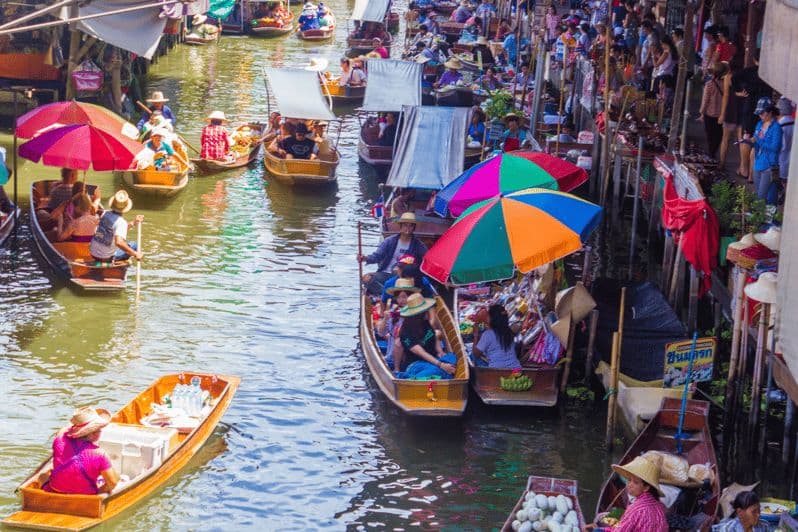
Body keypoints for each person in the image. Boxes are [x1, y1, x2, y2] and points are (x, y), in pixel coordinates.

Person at [43, 407, 119, 495]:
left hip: (56, 490)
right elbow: (113, 483)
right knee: (116, 477)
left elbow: (64, 430)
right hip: (84, 496)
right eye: (100, 429)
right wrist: (98, 491)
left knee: (42, 476)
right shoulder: (100, 454)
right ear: (94, 433)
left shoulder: (60, 437)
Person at [358, 212, 428, 290]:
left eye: (410, 226)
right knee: (366, 279)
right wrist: (365, 258)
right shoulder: (389, 241)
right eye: (405, 225)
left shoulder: (418, 245)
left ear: (413, 228)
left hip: (404, 277)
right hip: (386, 273)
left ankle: (389, 292)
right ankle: (387, 293)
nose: (407, 228)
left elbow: (426, 259)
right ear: (401, 226)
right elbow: (377, 256)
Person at [397, 293, 456, 374]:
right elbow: (420, 353)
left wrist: (439, 351)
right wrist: (441, 365)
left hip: (433, 360)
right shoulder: (405, 332)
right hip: (416, 364)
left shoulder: (425, 323)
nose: (428, 311)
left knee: (453, 359)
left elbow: (433, 336)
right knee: (436, 370)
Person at [606, 456, 668, 531]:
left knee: (600, 520)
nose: (629, 485)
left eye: (636, 482)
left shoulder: (635, 509)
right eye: (629, 480)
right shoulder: (660, 506)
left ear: (646, 488)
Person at [376, 278, 420, 369]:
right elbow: (381, 333)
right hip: (392, 355)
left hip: (412, 353)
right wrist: (385, 319)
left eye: (404, 297)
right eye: (399, 297)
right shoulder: (393, 311)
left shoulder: (418, 311)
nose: (401, 300)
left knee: (400, 341)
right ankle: (397, 368)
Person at [90, 190, 144, 263]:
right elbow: (119, 242)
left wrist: (133, 223)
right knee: (134, 245)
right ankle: (115, 261)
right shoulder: (121, 222)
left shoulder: (105, 213)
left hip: (93, 253)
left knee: (125, 244)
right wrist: (135, 254)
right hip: (106, 258)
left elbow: (116, 230)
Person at [745, 98, 782, 204]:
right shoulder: (759, 124)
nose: (760, 115)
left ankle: (763, 218)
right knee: (760, 194)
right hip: (758, 163)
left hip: (769, 166)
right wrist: (748, 141)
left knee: (761, 197)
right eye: (759, 113)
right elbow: (756, 142)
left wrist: (758, 141)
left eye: (762, 113)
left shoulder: (776, 128)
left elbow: (775, 147)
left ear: (770, 112)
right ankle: (765, 217)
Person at [472, 304, 521, 369]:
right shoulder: (509, 331)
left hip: (497, 371)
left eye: (488, 316)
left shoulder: (488, 334)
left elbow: (476, 354)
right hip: (516, 369)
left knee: (472, 356)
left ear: (492, 319)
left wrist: (476, 334)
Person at [698, 62, 727, 158]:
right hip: (722, 114)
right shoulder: (726, 85)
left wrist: (702, 112)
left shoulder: (709, 84)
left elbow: (705, 100)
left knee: (710, 135)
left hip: (709, 114)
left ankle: (711, 153)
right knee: (718, 135)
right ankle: (713, 152)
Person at [777, 97, 794, 185]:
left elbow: (780, 146)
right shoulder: (794, 122)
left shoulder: (780, 125)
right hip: (792, 160)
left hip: (781, 161)